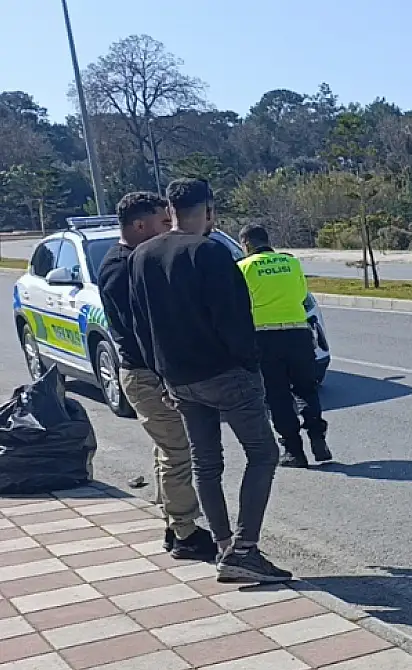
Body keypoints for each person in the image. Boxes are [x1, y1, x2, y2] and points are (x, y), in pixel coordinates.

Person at [127, 178, 291, 584]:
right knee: (263, 453)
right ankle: (245, 550)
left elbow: (140, 324)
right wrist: (251, 365)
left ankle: (223, 546)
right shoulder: (211, 252)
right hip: (226, 374)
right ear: (209, 211)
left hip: (178, 378)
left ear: (170, 209)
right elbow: (235, 319)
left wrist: (162, 374)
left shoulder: (142, 256)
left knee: (206, 462)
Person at [97, 191, 218, 562]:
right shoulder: (122, 269)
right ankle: (185, 533)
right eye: (164, 222)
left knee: (168, 450)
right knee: (177, 452)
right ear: (139, 225)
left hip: (150, 373)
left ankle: (173, 522)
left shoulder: (133, 260)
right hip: (147, 374)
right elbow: (143, 330)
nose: (170, 229)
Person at [236, 224, 329, 468]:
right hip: (298, 333)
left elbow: (240, 304)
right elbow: (301, 295)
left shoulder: (243, 267)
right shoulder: (292, 263)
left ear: (246, 244)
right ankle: (317, 436)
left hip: (264, 337)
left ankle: (294, 451)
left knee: (277, 395)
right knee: (306, 389)